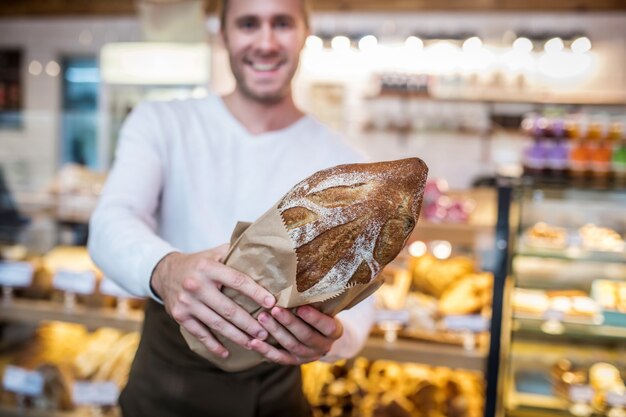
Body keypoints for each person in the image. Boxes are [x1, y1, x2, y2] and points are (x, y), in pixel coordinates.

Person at [88, 0, 375, 415]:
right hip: (166, 383)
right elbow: (113, 219)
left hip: (277, 389)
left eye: (282, 23)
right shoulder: (162, 123)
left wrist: (335, 337)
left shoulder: (342, 162)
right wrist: (166, 270)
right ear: (222, 36)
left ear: (304, 35)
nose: (266, 42)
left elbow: (360, 289)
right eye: (247, 24)